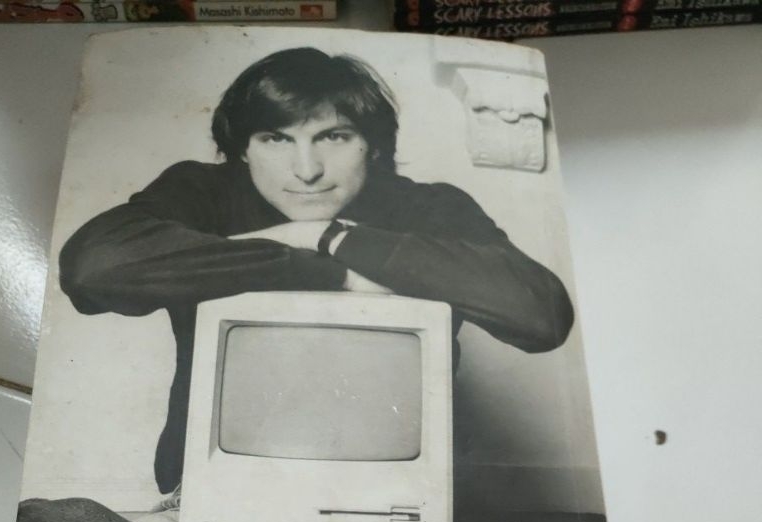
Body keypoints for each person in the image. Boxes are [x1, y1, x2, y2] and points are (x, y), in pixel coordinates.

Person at [59, 46, 574, 495]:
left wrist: (332, 236)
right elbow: (92, 270)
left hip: (397, 491)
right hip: (210, 482)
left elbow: (541, 315)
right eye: (275, 139)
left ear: (373, 144)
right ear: (242, 150)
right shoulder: (203, 192)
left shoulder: (428, 207)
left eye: (334, 137)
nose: (306, 171)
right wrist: (330, 271)